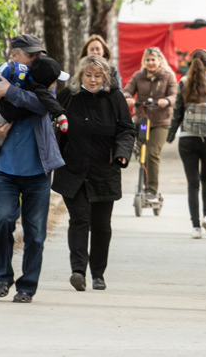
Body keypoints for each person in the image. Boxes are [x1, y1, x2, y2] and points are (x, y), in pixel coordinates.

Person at [0, 34, 67, 304]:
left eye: (38, 55)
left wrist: (10, 92)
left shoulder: (44, 80)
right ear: (14, 55)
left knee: (35, 233)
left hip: (39, 170)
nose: (37, 59)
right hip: (6, 170)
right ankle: (3, 278)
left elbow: (40, 105)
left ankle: (27, 287)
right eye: (31, 55)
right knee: (3, 220)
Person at [53, 55, 135, 292]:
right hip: (73, 169)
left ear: (106, 78)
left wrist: (122, 153)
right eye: (88, 75)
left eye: (98, 76)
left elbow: (127, 130)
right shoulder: (69, 96)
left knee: (101, 225)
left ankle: (98, 273)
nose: (92, 80)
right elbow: (52, 119)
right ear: (81, 76)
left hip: (104, 170)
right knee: (79, 219)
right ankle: (78, 271)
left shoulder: (114, 98)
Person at [0, 54, 69, 184]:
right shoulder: (38, 89)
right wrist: (61, 115)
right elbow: (44, 105)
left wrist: (10, 90)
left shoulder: (19, 77)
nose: (55, 84)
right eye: (53, 80)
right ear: (46, 80)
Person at [167, 49, 206, 239]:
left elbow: (178, 112)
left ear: (190, 63)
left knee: (192, 183)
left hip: (188, 138)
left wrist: (171, 134)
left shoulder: (183, 82)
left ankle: (196, 228)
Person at [123, 47, 178, 202]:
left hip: (161, 122)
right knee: (142, 154)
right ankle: (143, 185)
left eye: (154, 59)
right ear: (144, 62)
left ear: (160, 60)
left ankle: (152, 190)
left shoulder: (168, 76)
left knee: (152, 153)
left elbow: (174, 95)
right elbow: (127, 91)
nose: (151, 63)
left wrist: (166, 101)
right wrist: (129, 98)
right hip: (143, 120)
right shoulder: (138, 76)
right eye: (148, 60)